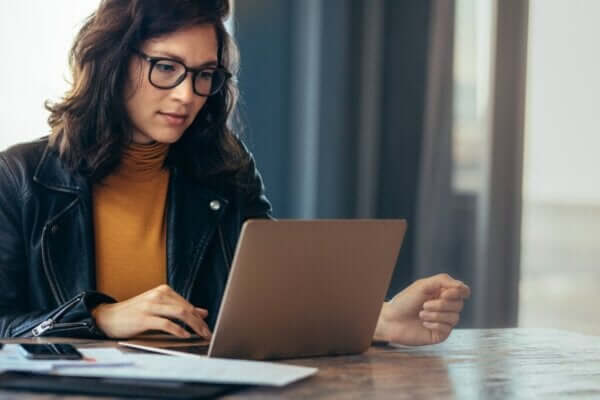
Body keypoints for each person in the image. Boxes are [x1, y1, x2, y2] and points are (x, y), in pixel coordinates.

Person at [0, 0, 470, 346]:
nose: (187, 94)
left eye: (205, 74)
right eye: (166, 67)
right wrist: (100, 317)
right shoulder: (20, 178)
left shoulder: (224, 170)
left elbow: (270, 300)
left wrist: (381, 319)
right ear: (113, 62)